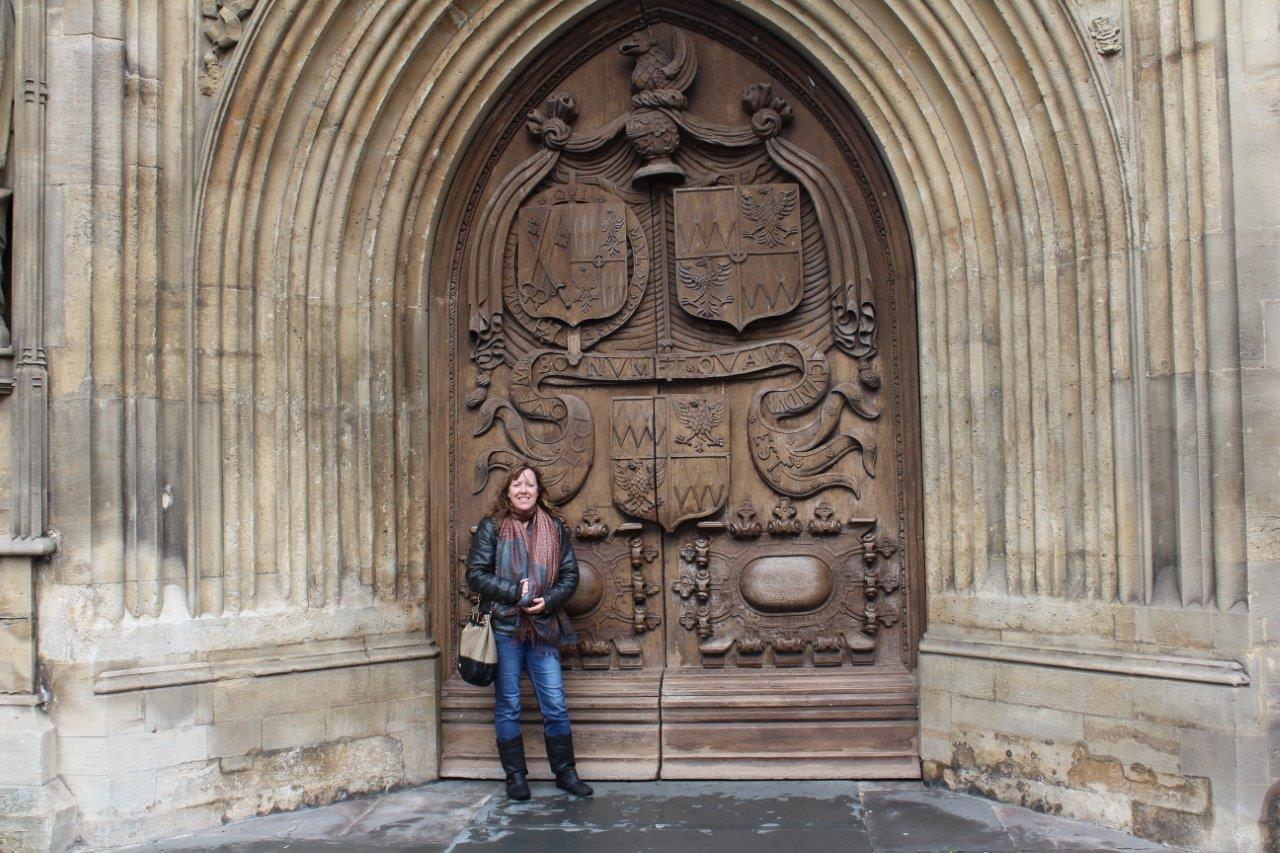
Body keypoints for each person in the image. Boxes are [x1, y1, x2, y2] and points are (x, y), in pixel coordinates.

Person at [465, 463, 593, 801]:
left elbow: (570, 575)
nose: (523, 489)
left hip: (543, 629)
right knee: (508, 704)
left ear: (539, 492)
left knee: (555, 704)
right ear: (507, 491)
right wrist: (514, 593)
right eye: (517, 484)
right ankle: (516, 777)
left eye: (530, 484)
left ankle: (565, 773)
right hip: (506, 629)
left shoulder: (554, 528)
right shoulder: (492, 528)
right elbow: (475, 575)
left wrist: (548, 601)